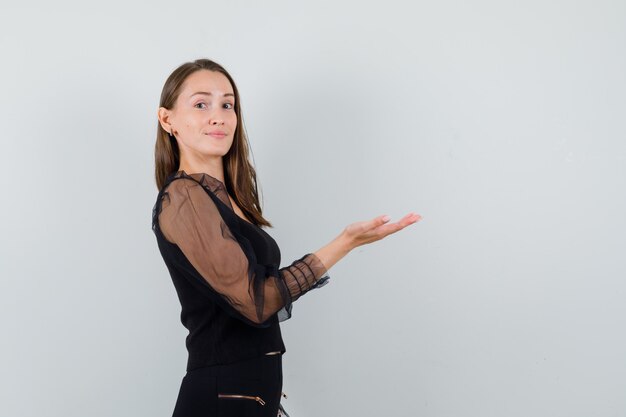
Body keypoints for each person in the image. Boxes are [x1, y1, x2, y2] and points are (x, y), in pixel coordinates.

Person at [152, 58, 422, 417]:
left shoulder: (229, 200)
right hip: (223, 398)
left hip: (246, 395)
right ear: (167, 119)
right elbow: (255, 301)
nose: (218, 116)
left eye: (227, 104)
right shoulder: (185, 198)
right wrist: (345, 242)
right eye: (201, 104)